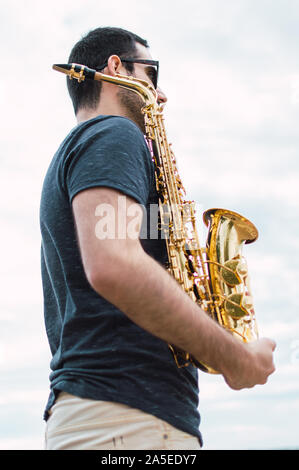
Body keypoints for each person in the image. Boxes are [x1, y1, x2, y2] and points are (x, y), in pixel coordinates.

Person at [40, 26, 276, 451]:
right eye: (153, 74)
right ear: (116, 67)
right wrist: (235, 358)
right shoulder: (115, 133)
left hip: (115, 419)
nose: (161, 94)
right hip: (127, 421)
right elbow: (114, 265)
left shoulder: (87, 148)